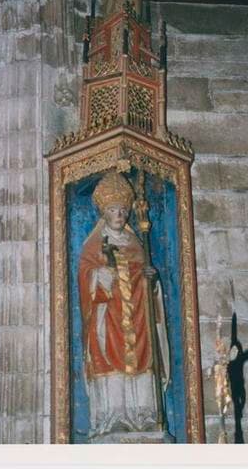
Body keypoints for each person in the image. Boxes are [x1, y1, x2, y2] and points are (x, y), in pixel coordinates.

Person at [78, 172, 170, 438]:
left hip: (139, 316)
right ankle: (115, 416)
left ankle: (146, 415)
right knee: (109, 361)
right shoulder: (93, 245)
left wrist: (151, 281)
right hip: (108, 317)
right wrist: (98, 276)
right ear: (104, 213)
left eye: (123, 210)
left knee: (143, 358)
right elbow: (85, 277)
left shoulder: (136, 244)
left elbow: (145, 278)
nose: (119, 215)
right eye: (113, 210)